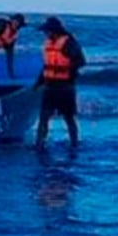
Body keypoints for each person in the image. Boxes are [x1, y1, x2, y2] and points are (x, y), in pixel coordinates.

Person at [32, 17, 86, 148]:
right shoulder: (48, 44)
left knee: (68, 117)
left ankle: (74, 143)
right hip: (50, 86)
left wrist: (67, 69)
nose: (45, 33)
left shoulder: (69, 43)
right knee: (44, 118)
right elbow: (46, 66)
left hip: (65, 87)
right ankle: (39, 144)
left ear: (54, 30)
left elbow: (81, 61)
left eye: (47, 31)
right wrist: (38, 83)